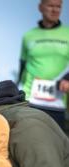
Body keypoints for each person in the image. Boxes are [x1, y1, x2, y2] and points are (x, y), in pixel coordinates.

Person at [17, 0, 69, 131]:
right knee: (30, 143)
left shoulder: (67, 34)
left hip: (57, 101)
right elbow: (22, 67)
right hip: (31, 99)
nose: (55, 10)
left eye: (59, 7)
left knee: (56, 147)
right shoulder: (28, 36)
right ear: (40, 7)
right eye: (51, 5)